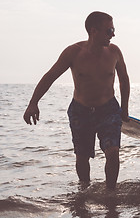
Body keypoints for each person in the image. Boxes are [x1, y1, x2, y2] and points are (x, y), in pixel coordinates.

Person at [23, 11, 130, 190]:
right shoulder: (74, 52)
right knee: (82, 157)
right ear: (93, 31)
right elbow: (50, 76)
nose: (113, 34)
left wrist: (124, 109)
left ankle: (111, 195)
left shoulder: (114, 52)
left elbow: (124, 80)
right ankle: (84, 190)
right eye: (109, 30)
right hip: (81, 110)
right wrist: (33, 103)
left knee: (113, 153)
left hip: (108, 108)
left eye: (113, 29)